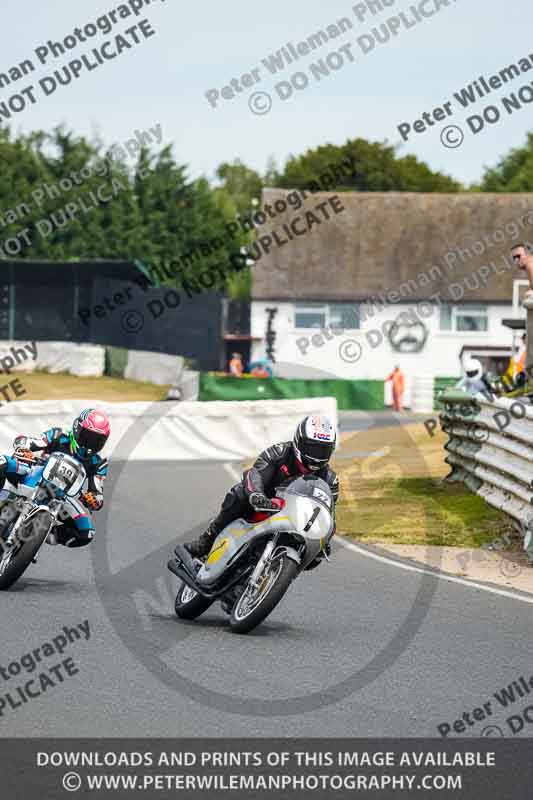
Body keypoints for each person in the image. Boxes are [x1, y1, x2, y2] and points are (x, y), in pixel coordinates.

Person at [185, 414, 339, 567]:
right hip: (263, 504)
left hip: (294, 522)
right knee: (238, 493)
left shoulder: (330, 480)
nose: (315, 457)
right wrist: (257, 495)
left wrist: (324, 539)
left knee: (316, 556)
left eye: (322, 451)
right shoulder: (279, 453)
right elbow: (255, 474)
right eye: (312, 448)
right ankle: (207, 540)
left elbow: (327, 516)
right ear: (299, 441)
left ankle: (277, 575)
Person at [0, 408, 110, 548]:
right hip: (34, 473)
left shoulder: (99, 463)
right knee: (2, 461)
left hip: (61, 497)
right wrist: (24, 449)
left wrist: (94, 499)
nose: (90, 445)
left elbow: (97, 492)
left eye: (97, 441)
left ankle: (43, 535)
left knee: (86, 533)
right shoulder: (59, 435)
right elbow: (29, 441)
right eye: (88, 438)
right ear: (77, 429)